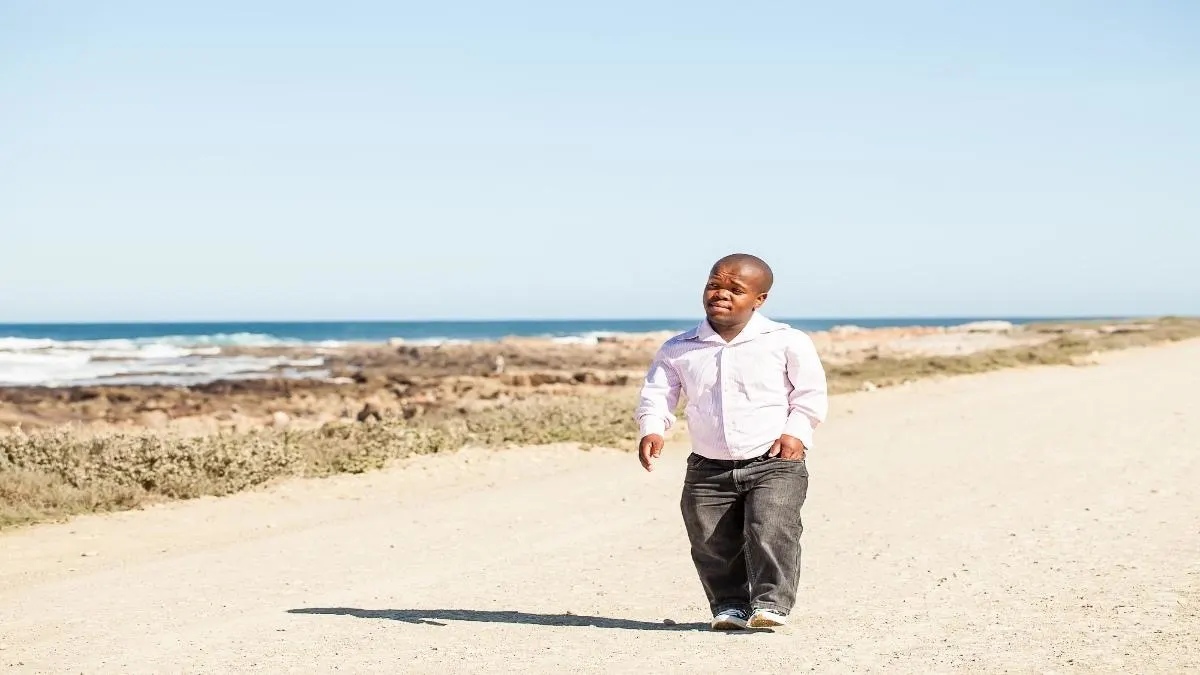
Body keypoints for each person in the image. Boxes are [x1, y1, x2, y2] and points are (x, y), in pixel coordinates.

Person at [634, 253, 829, 630]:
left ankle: (771, 603)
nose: (721, 294)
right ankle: (730, 605)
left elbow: (810, 393)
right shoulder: (679, 347)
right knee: (709, 540)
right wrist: (652, 428)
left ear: (759, 299)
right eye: (714, 285)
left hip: (774, 459)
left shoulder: (786, 341)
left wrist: (797, 431)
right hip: (708, 466)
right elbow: (658, 394)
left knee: (771, 527)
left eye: (735, 290)